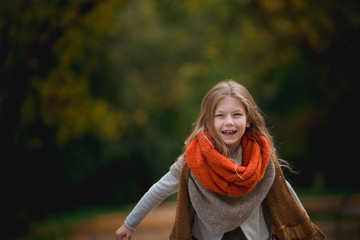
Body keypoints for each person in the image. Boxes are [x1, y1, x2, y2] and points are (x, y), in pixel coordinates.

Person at [115, 80, 325, 240]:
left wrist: (306, 226)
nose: (229, 122)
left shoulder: (260, 157)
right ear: (208, 120)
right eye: (220, 115)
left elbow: (285, 191)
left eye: (237, 115)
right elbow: (160, 189)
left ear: (248, 119)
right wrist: (129, 224)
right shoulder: (195, 159)